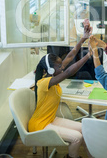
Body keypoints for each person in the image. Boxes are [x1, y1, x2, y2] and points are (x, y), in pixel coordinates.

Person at [28, 19, 93, 158]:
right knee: (76, 137)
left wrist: (83, 38)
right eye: (59, 66)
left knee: (85, 129)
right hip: (40, 125)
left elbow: (70, 56)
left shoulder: (53, 74)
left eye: (61, 65)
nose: (62, 67)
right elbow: (69, 72)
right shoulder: (45, 82)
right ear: (50, 70)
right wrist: (88, 55)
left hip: (50, 119)